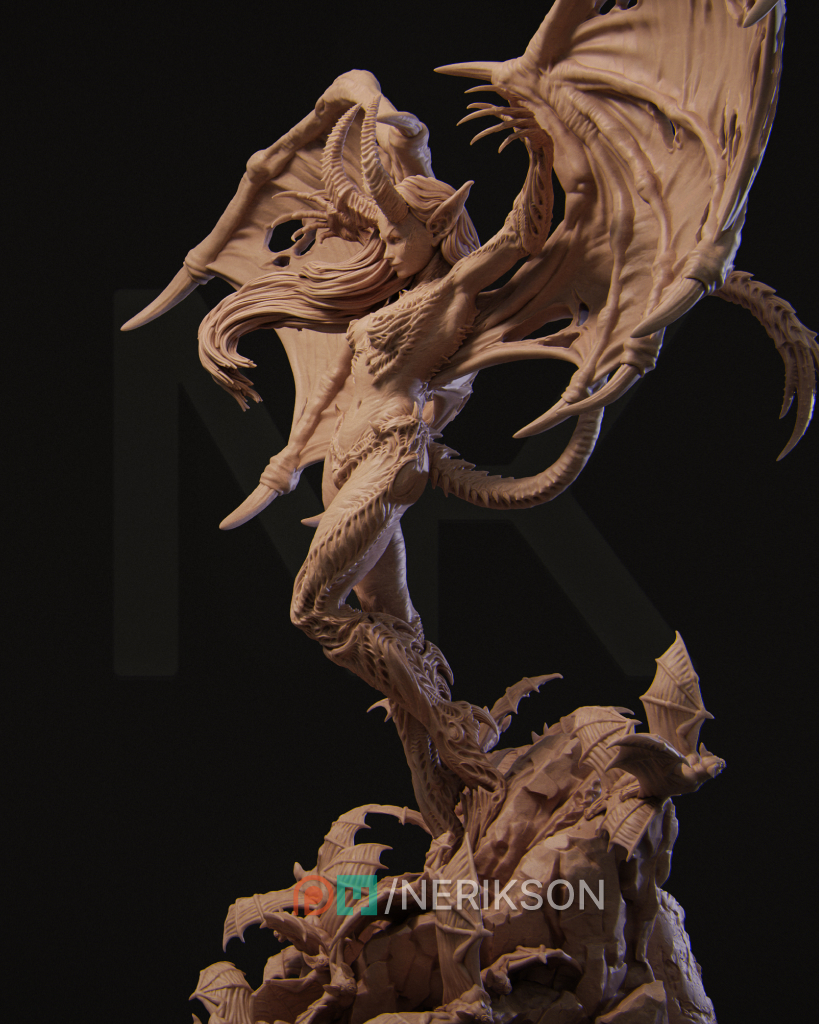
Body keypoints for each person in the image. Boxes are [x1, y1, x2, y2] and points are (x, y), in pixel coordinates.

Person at [199, 97, 554, 836]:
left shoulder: (455, 288)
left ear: (435, 229)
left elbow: (522, 233)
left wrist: (542, 144)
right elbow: (334, 386)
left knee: (310, 609)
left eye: (397, 235)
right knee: (393, 629)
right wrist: (286, 462)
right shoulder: (375, 311)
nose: (387, 249)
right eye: (383, 235)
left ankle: (451, 725)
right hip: (342, 465)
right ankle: (445, 813)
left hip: (390, 460)